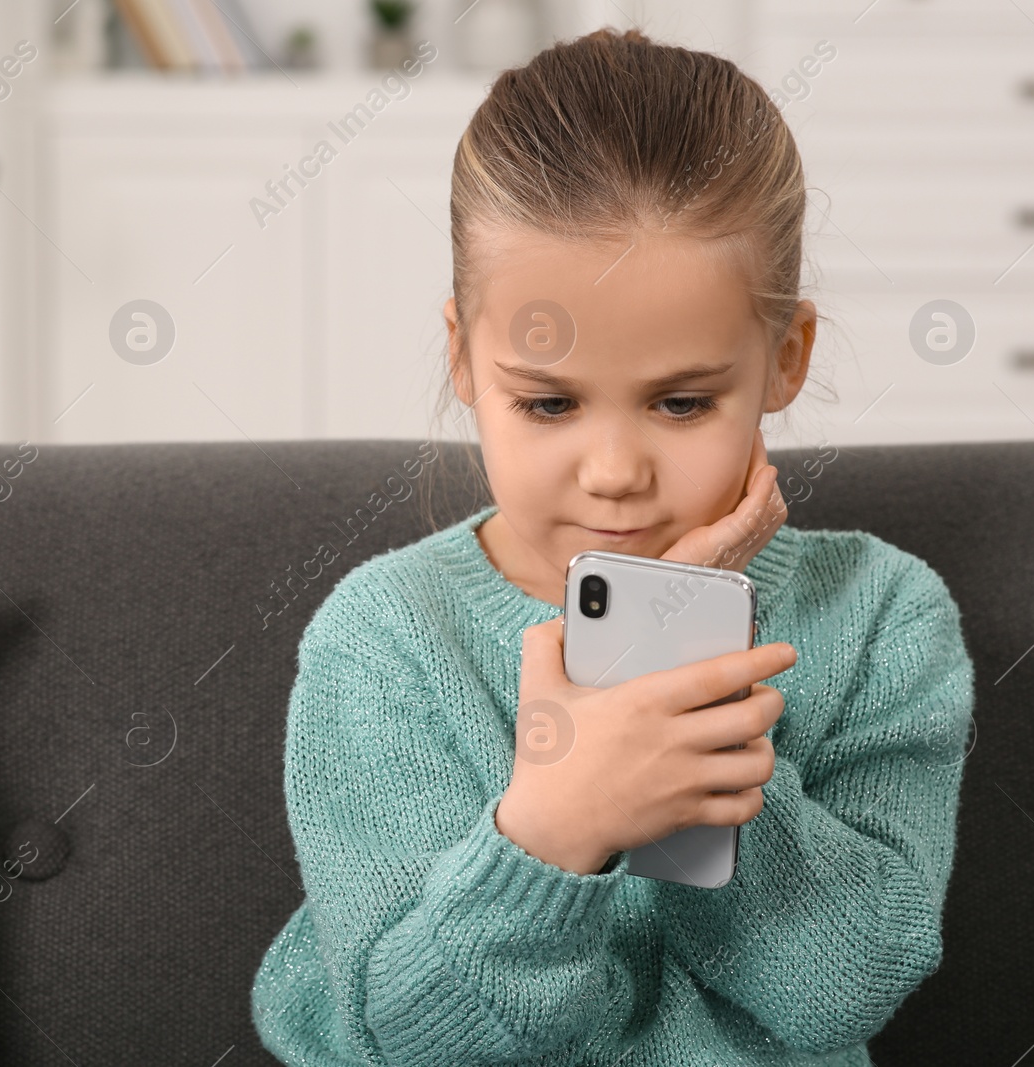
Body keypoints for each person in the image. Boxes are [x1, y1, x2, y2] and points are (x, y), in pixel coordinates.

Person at [251, 25, 975, 1066]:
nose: (613, 470)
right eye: (548, 403)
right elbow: (412, 1039)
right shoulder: (388, 634)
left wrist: (670, 665)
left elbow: (839, 991)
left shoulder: (884, 613)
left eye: (681, 401)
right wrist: (552, 829)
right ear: (463, 356)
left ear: (785, 357)